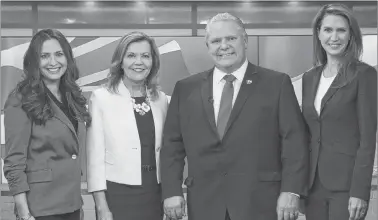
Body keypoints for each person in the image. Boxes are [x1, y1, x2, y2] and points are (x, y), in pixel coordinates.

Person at [160, 12, 309, 220]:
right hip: (205, 203)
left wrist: (291, 191)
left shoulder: (277, 84)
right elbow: (171, 146)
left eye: (231, 38)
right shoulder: (186, 89)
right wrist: (171, 191)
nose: (224, 46)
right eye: (216, 41)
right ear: (208, 46)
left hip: (261, 203)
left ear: (245, 40)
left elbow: (294, 142)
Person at [3, 29, 91, 220]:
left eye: (59, 54)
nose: (53, 62)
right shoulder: (20, 99)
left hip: (72, 204)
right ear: (34, 61)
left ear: (68, 58)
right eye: (44, 56)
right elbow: (14, 163)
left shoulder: (73, 96)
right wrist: (24, 213)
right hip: (40, 209)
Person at [302, 4, 377, 220]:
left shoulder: (364, 75)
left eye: (341, 30)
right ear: (318, 33)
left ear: (351, 34)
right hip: (312, 185)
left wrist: (359, 191)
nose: (334, 37)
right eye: (327, 30)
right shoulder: (310, 77)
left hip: (346, 187)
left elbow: (367, 137)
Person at [86, 31, 169, 220]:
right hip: (117, 194)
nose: (138, 62)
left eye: (145, 56)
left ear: (153, 62)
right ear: (120, 61)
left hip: (154, 192)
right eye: (131, 55)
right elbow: (95, 158)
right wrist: (101, 207)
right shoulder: (101, 98)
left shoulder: (161, 99)